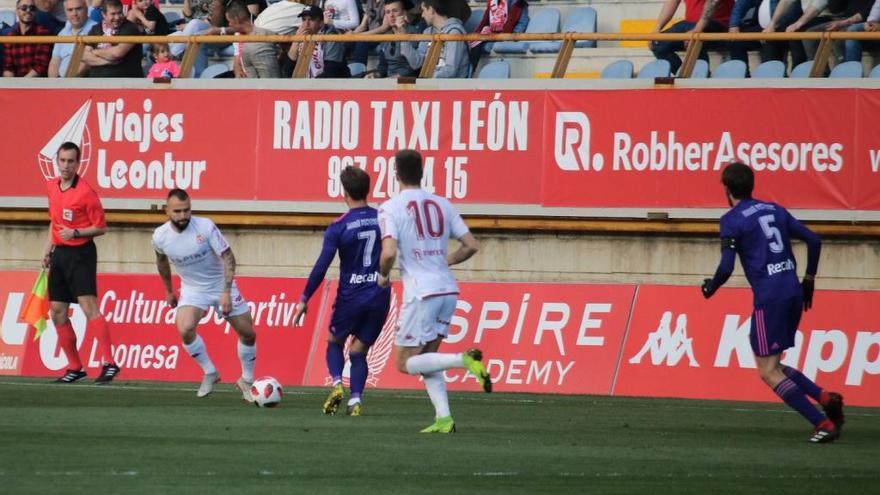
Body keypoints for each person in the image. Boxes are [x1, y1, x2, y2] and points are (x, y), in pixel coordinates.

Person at [701, 162, 844, 443]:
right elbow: (813, 240)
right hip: (793, 291)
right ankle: (826, 398)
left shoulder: (732, 219)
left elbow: (727, 266)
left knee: (767, 372)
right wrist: (809, 279)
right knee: (773, 364)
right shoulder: (774, 209)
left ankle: (823, 422)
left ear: (726, 189)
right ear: (751, 186)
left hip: (770, 297)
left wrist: (710, 286)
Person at [377, 149, 490, 433]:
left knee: (404, 362)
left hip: (421, 293)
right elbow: (472, 245)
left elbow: (388, 252)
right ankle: (444, 418)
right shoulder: (442, 204)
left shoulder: (390, 207)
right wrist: (446, 260)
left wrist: (382, 276)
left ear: (397, 174)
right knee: (427, 358)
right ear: (422, 172)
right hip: (448, 291)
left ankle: (463, 360)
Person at [292, 167, 391, 416]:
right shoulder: (384, 218)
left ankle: (337, 384)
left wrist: (305, 298)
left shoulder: (339, 226)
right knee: (359, 351)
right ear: (367, 190)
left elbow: (322, 266)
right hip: (379, 295)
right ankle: (355, 400)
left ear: (344, 192)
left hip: (351, 296)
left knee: (334, 341)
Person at [152, 189, 257, 401]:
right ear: (167, 211)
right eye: (178, 211)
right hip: (193, 289)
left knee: (248, 333)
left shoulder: (205, 226)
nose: (183, 216)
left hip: (220, 284)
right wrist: (169, 290)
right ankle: (210, 372)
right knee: (185, 329)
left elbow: (229, 258)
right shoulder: (160, 237)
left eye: (187, 210)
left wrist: (226, 291)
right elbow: (161, 262)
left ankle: (246, 380)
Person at [43, 142, 120, 384]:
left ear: (78, 163)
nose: (66, 166)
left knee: (89, 307)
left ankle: (109, 363)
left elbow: (102, 227)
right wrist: (47, 250)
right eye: (63, 161)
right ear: (57, 161)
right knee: (57, 311)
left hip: (81, 253)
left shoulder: (86, 192)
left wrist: (76, 233)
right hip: (60, 254)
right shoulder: (52, 186)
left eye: (71, 161)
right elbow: (53, 222)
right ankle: (75, 367)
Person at [649, 0, 735, 75]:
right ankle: (683, 76)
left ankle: (701, 77)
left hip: (718, 23)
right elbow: (673, 1)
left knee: (695, 39)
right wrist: (657, 28)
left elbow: (712, 2)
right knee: (657, 43)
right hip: (689, 25)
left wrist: (697, 29)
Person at [400, 0, 470, 78]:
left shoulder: (454, 33)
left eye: (423, 10)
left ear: (431, 10)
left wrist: (425, 79)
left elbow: (450, 71)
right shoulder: (427, 32)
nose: (422, 15)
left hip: (454, 86)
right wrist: (403, 36)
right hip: (432, 84)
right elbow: (416, 63)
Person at [82, 0, 144, 77]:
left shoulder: (130, 27)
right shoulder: (95, 29)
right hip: (96, 82)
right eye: (113, 14)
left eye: (119, 13)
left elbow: (117, 53)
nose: (117, 17)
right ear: (104, 14)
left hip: (124, 82)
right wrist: (106, 61)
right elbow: (84, 56)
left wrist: (95, 52)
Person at [286, 5, 350, 78]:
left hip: (333, 85)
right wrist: (296, 42)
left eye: (311, 19)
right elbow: (288, 71)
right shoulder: (301, 34)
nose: (306, 24)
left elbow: (331, 72)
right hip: (308, 84)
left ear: (321, 23)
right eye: (304, 19)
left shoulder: (331, 37)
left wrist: (309, 85)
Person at [468, 0, 530, 70]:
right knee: (474, 42)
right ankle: (470, 71)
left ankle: (470, 71)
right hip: (492, 33)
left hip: (508, 35)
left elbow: (523, 22)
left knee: (477, 43)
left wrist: (513, 36)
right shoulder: (493, 2)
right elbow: (485, 21)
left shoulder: (519, 3)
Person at [226, 0, 280, 78]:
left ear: (237, 19)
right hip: (246, 75)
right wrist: (238, 71)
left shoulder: (262, 30)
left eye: (229, 21)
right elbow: (237, 56)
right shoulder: (237, 34)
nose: (229, 24)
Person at [369, 0, 421, 78]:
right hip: (388, 82)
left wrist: (399, 76)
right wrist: (376, 75)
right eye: (388, 12)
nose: (391, 15)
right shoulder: (385, 37)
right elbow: (383, 67)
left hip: (408, 82)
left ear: (404, 13)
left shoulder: (414, 34)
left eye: (395, 11)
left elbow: (415, 66)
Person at [2, 0, 53, 77]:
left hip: (36, 83)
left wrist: (22, 85)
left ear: (36, 12)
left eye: (32, 8)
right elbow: (8, 67)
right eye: (24, 8)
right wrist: (12, 84)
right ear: (17, 11)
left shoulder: (43, 33)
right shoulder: (10, 36)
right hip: (15, 84)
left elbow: (40, 66)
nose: (28, 11)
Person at [48, 0, 97, 77]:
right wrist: (53, 84)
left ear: (86, 9)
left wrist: (67, 83)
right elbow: (55, 62)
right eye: (70, 10)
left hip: (83, 83)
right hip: (61, 84)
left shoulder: (96, 29)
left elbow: (86, 64)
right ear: (65, 12)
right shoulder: (62, 33)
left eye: (78, 9)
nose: (74, 13)